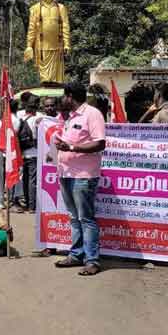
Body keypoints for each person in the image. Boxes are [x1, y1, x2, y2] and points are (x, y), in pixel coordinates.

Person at [54, 82, 107, 276]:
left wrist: (72, 148)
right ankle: (76, 255)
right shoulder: (70, 117)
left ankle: (92, 261)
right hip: (66, 174)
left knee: (86, 218)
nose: (62, 100)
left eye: (63, 96)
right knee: (74, 218)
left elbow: (100, 143)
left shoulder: (92, 114)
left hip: (83, 176)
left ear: (70, 96)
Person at [19, 96, 40, 213]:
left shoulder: (21, 119)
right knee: (33, 181)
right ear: (35, 108)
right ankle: (32, 207)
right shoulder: (37, 120)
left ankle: (26, 204)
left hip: (23, 154)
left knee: (25, 180)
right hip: (34, 154)